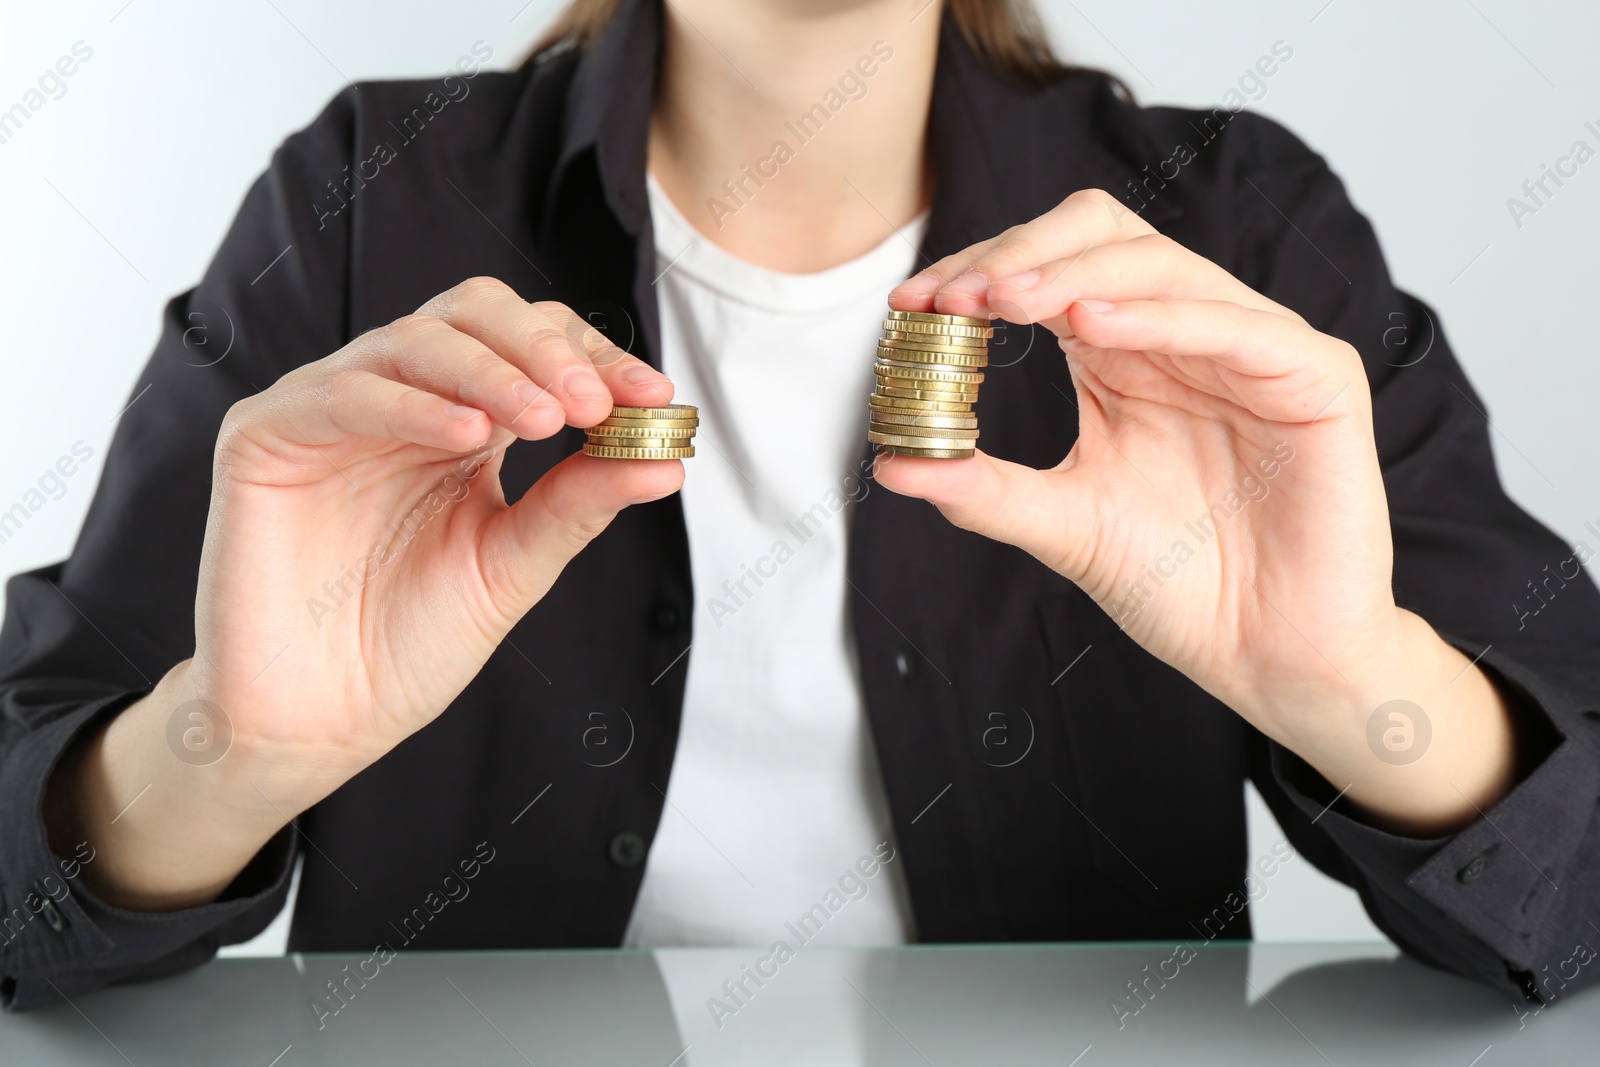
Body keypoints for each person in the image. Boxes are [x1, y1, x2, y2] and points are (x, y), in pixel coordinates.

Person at [2, 0, 1596, 1015]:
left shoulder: (1233, 224)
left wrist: (1362, 691)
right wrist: (224, 752)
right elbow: (25, 853)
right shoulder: (366, 194)